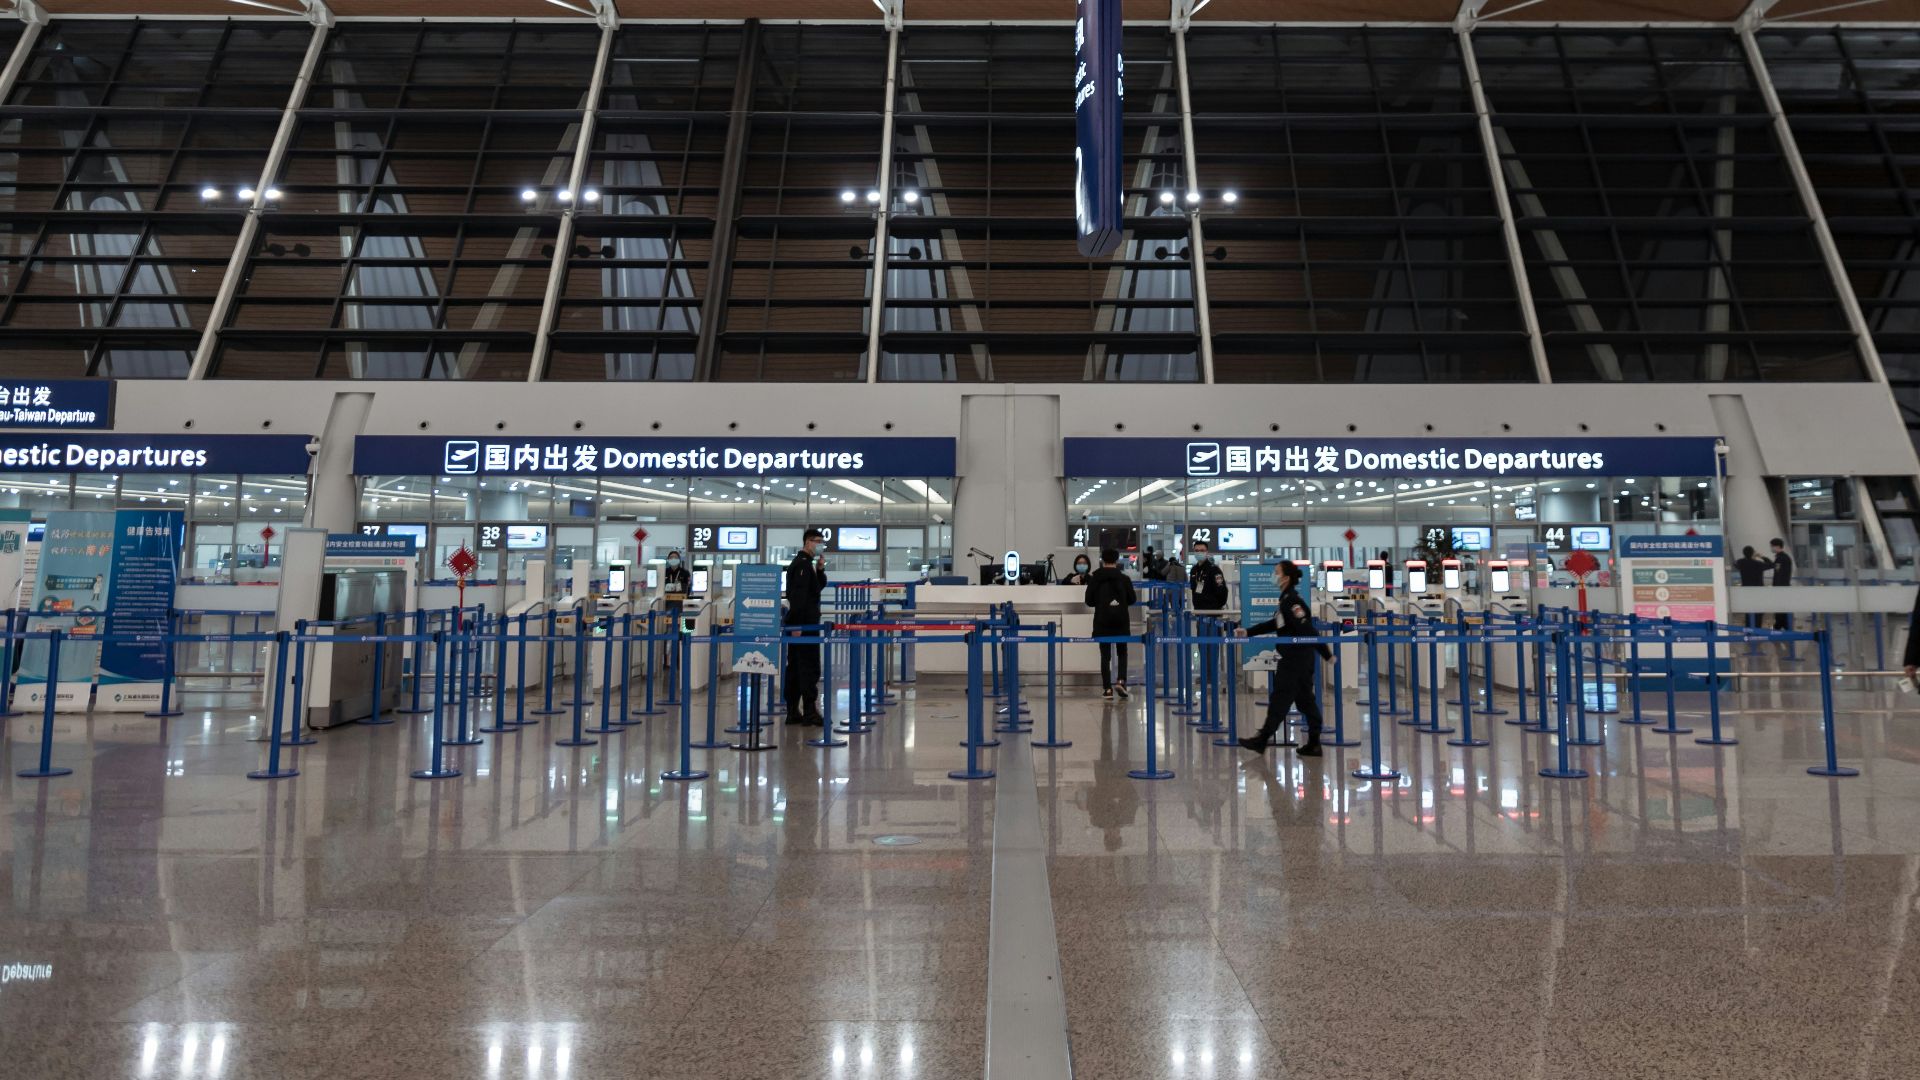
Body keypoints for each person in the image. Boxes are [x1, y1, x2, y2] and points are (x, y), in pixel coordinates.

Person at [1237, 560, 1333, 757]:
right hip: (1297, 658)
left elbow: (1307, 629)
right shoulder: (1286, 599)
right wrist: (1248, 632)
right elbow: (1276, 624)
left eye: (1276, 572)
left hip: (1295, 660)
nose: (1274, 575)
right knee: (1305, 701)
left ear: (1286, 578)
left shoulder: (1293, 601)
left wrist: (1326, 653)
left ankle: (1261, 739)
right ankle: (1314, 743)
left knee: (1281, 699)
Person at [783, 528, 828, 725]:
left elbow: (815, 589)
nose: (820, 546)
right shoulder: (801, 565)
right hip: (804, 625)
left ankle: (793, 711)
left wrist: (820, 570)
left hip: (803, 624)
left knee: (796, 666)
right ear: (808, 542)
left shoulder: (806, 564)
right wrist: (798, 624)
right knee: (808, 667)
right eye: (818, 542)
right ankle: (808, 711)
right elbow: (799, 598)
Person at [1085, 547, 1136, 699]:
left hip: (1102, 621)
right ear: (1117, 560)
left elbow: (1089, 601)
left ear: (1102, 560)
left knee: (1105, 655)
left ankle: (1107, 689)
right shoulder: (1124, 579)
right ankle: (1121, 680)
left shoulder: (1095, 578)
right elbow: (1132, 599)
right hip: (1121, 621)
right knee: (1122, 652)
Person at [661, 550, 691, 672]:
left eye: (675, 557)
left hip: (680, 606)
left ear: (679, 559)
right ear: (668, 559)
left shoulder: (684, 573)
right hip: (667, 606)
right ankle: (666, 661)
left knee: (679, 633)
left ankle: (678, 659)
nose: (673, 559)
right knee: (667, 632)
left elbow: (687, 590)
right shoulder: (665, 572)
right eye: (671, 557)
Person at [1734, 545, 1771, 629]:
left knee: (1748, 611)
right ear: (1753, 553)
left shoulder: (1741, 563)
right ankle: (1757, 631)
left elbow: (1735, 563)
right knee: (1758, 611)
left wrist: (1748, 557)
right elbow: (1771, 564)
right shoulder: (1758, 564)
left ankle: (1749, 630)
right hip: (1758, 591)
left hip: (1746, 591)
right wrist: (1762, 557)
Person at [1189, 540, 1228, 612]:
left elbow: (1222, 591)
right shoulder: (1194, 570)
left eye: (1202, 550)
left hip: (1212, 612)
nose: (1199, 553)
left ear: (1207, 552)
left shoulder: (1214, 570)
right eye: (1197, 550)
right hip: (1198, 610)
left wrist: (1217, 607)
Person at [1771, 537, 1794, 632]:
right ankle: (1782, 626)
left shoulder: (1781, 558)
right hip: (1784, 587)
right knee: (1782, 608)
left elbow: (1779, 574)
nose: (1771, 548)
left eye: (1772, 546)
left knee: (1780, 608)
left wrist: (1776, 588)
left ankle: (1779, 626)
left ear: (1777, 546)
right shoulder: (1785, 557)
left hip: (1781, 588)